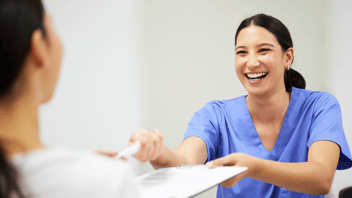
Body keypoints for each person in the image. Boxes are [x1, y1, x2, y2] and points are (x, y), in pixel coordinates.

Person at [129, 13, 352, 197]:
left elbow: (321, 178)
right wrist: (157, 153)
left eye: (263, 50)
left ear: (287, 57)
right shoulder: (215, 115)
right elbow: (184, 164)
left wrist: (252, 167)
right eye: (241, 52)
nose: (252, 62)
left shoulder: (319, 107)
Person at [0, 0, 138, 197]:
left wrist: (74, 163)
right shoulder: (107, 184)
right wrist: (84, 170)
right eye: (52, 24)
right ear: (38, 46)